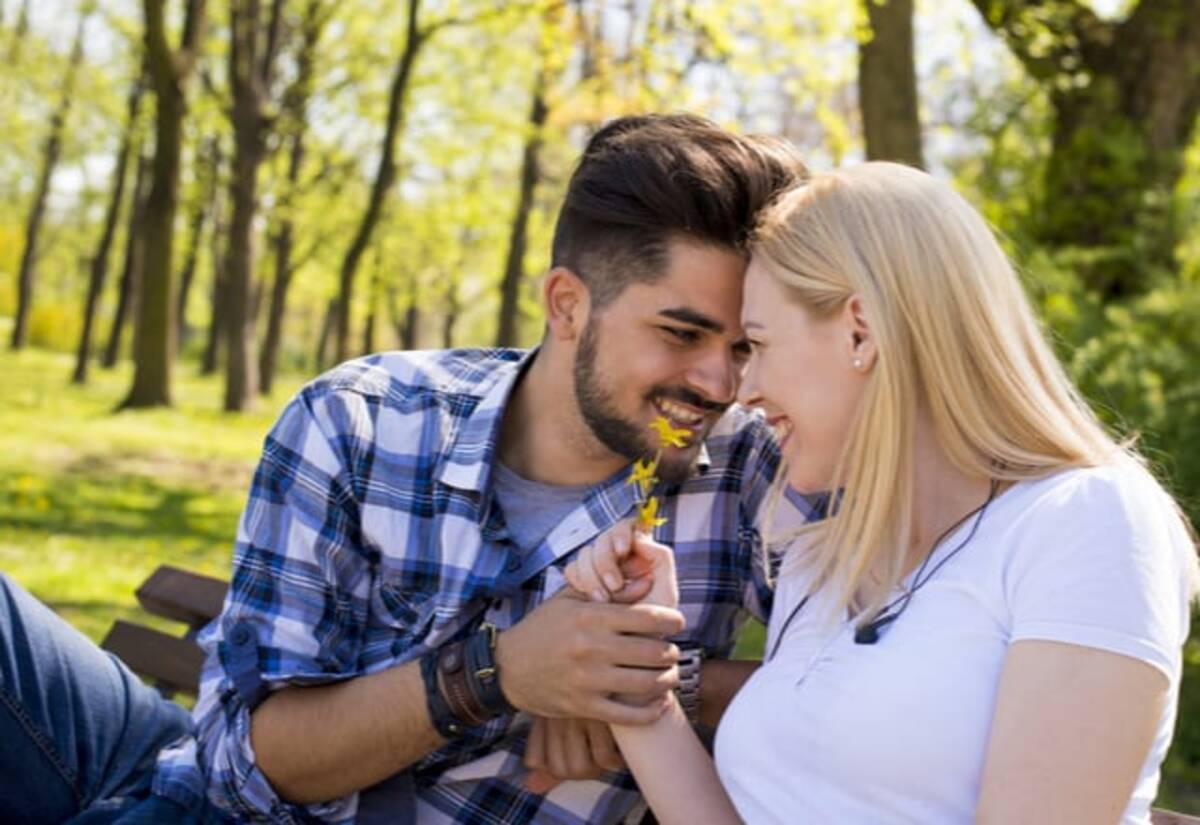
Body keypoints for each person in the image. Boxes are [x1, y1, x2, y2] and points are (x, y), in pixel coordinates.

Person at [0, 113, 812, 823]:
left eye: (744, 345)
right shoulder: (361, 415)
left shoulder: (760, 468)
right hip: (200, 785)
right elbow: (247, 766)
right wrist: (500, 673)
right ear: (567, 304)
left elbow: (881, 683)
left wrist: (645, 681)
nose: (720, 383)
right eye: (681, 333)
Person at [566, 162, 1199, 824]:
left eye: (756, 344)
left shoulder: (1086, 521)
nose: (741, 391)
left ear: (860, 331)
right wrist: (641, 673)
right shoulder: (824, 557)